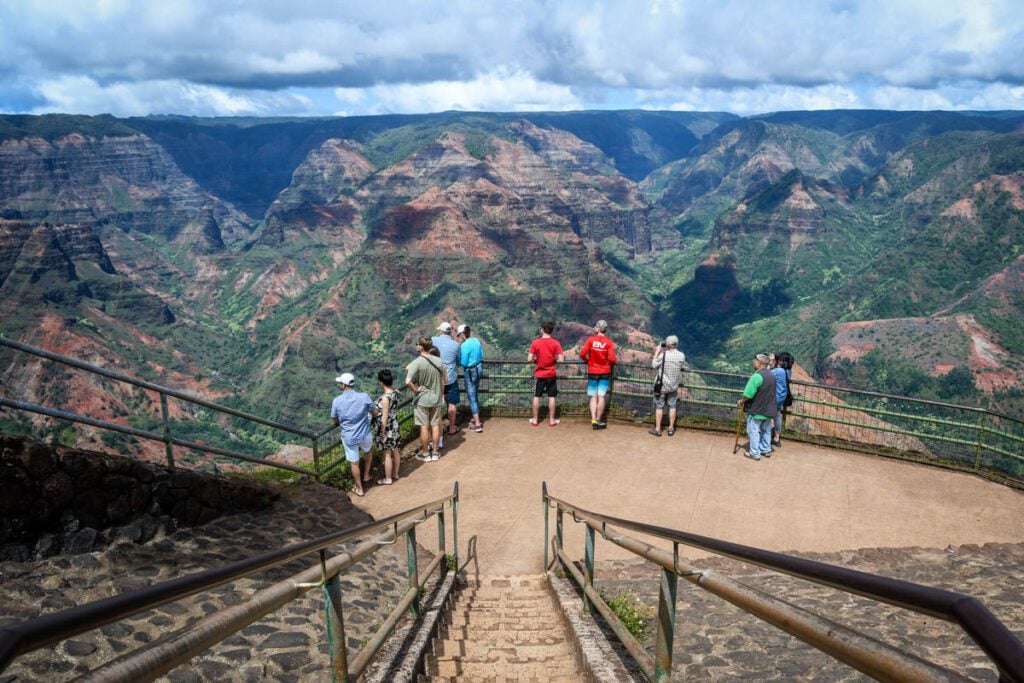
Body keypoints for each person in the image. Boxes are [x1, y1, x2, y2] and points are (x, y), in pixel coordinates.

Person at [330, 372, 379, 497]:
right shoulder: (364, 397)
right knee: (368, 452)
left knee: (354, 462)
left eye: (340, 383)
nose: (339, 384)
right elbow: (374, 412)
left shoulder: (337, 401)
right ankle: (367, 475)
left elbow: (335, 419)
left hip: (349, 436)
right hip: (365, 433)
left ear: (344, 385)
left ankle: (359, 488)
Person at [406, 336, 446, 462]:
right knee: (435, 425)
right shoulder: (438, 361)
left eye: (417, 344)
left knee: (424, 426)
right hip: (436, 398)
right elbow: (445, 379)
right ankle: (435, 452)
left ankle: (425, 453)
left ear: (420, 347)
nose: (416, 346)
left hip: (422, 399)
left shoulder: (417, 362)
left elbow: (407, 381)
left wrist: (416, 389)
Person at [736, 353, 777, 461]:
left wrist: (741, 401)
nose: (754, 363)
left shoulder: (756, 376)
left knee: (753, 431)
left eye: (755, 361)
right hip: (769, 409)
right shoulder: (772, 376)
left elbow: (748, 394)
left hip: (757, 410)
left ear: (759, 363)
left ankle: (754, 452)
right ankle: (765, 449)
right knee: (766, 430)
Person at [580, 319, 616, 430]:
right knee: (601, 396)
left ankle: (593, 420)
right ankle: (599, 420)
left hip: (592, 371)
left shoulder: (591, 340)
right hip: (605, 372)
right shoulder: (608, 342)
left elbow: (582, 353)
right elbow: (613, 359)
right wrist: (606, 364)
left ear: (597, 328)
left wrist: (587, 361)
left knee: (593, 396)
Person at [649, 335, 687, 437]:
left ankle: (657, 429)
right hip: (674, 386)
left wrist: (657, 351)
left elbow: (653, 365)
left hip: (662, 386)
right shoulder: (681, 356)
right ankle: (671, 428)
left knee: (659, 406)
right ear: (676, 344)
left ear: (668, 345)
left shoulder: (664, 355)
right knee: (672, 406)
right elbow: (681, 366)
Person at [528, 320, 565, 426]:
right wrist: (554, 360)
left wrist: (536, 360)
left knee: (536, 396)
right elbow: (561, 360)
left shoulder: (535, 343)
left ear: (542, 329)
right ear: (551, 330)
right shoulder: (556, 343)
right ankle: (552, 420)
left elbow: (529, 358)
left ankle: (535, 420)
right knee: (552, 397)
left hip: (539, 374)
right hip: (551, 374)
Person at [371, 369, 401, 484]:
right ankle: (395, 474)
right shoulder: (395, 392)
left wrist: (382, 432)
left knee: (387, 453)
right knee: (396, 450)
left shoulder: (385, 398)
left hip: (387, 427)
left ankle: (388, 479)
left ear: (381, 382)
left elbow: (384, 416)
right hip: (394, 425)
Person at [432, 322, 461, 436]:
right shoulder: (456, 345)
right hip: (451, 378)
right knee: (452, 403)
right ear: (450, 332)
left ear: (441, 331)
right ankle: (452, 428)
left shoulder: (433, 340)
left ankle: (437, 431)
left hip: (437, 378)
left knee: (436, 404)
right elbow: (459, 361)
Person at [458, 324, 484, 432]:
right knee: (475, 393)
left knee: (472, 397)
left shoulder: (464, 346)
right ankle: (475, 418)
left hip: (470, 371)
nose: (459, 337)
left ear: (463, 334)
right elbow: (481, 354)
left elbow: (463, 362)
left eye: (459, 335)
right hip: (479, 368)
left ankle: (477, 424)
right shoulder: (476, 341)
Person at [770, 352, 794, 448]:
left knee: (767, 416)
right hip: (782, 396)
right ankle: (777, 437)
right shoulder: (788, 371)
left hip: (774, 396)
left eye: (779, 359)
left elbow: (764, 373)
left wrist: (771, 362)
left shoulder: (778, 371)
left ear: (782, 361)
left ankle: (765, 439)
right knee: (778, 416)